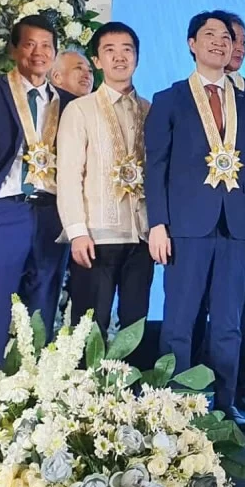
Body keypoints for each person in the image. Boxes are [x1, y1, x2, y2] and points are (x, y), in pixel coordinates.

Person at [145, 11, 245, 433]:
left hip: (237, 228)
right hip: (184, 227)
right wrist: (157, 224)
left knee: (229, 325)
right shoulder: (170, 99)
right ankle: (177, 406)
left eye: (227, 36)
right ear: (191, 43)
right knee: (179, 322)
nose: (220, 42)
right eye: (210, 35)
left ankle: (226, 402)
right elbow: (155, 166)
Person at [0, 15, 75, 362]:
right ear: (14, 49)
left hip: (51, 216)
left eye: (46, 45)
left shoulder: (66, 101)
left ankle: (36, 394)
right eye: (30, 44)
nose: (39, 52)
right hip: (0, 213)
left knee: (42, 311)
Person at [191, 11, 245, 415]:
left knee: (243, 307)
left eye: (241, 40)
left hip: (242, 225)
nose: (235, 46)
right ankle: (188, 390)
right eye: (228, 38)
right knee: (192, 310)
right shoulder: (187, 95)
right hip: (197, 223)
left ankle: (240, 384)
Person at [56, 21, 153, 337]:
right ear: (97, 61)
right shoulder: (80, 110)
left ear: (137, 57)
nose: (119, 57)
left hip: (141, 235)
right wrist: (76, 232)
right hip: (96, 236)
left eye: (127, 50)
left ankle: (131, 387)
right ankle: (84, 388)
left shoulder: (149, 110)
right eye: (109, 51)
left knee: (134, 325)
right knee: (88, 326)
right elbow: (69, 175)